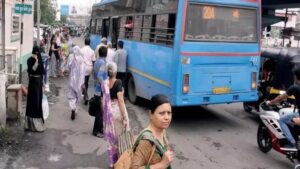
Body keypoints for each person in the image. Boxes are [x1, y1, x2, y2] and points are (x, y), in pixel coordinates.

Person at [132, 94, 173, 169]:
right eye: (162, 113)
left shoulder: (162, 131)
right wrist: (161, 165)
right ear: (151, 114)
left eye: (169, 113)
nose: (167, 117)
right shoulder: (146, 141)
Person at [102, 62, 129, 168]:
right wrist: (125, 117)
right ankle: (121, 162)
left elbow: (101, 100)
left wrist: (105, 115)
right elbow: (121, 100)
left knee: (111, 139)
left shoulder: (104, 83)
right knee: (120, 137)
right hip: (117, 112)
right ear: (115, 71)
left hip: (108, 113)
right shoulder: (118, 82)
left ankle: (112, 162)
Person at [267, 67, 300, 150]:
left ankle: (292, 142)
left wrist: (270, 102)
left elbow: (280, 98)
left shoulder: (295, 87)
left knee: (282, 120)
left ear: (296, 76)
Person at [25, 46, 45, 132]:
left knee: (37, 103)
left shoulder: (40, 60)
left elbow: (42, 72)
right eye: (35, 53)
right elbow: (31, 70)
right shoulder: (29, 60)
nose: (36, 55)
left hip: (38, 84)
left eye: (37, 53)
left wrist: (43, 84)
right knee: (31, 103)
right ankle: (29, 125)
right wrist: (36, 62)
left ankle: (37, 125)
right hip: (32, 83)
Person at [92, 46, 108, 137]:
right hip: (100, 90)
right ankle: (96, 131)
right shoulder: (103, 63)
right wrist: (104, 86)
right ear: (106, 54)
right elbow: (99, 76)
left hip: (96, 88)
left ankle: (100, 129)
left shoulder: (97, 61)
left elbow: (94, 74)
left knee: (100, 110)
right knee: (99, 111)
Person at [67, 46, 86, 120]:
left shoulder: (71, 57)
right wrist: (82, 81)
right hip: (79, 80)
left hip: (72, 79)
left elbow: (68, 66)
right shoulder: (81, 59)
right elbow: (83, 71)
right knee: (78, 94)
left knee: (71, 94)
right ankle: (75, 108)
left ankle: (73, 107)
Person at [81, 38, 96, 105]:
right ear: (89, 43)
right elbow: (93, 61)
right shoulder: (92, 51)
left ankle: (85, 96)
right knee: (86, 81)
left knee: (83, 82)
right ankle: (84, 93)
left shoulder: (81, 50)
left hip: (83, 67)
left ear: (84, 42)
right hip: (89, 68)